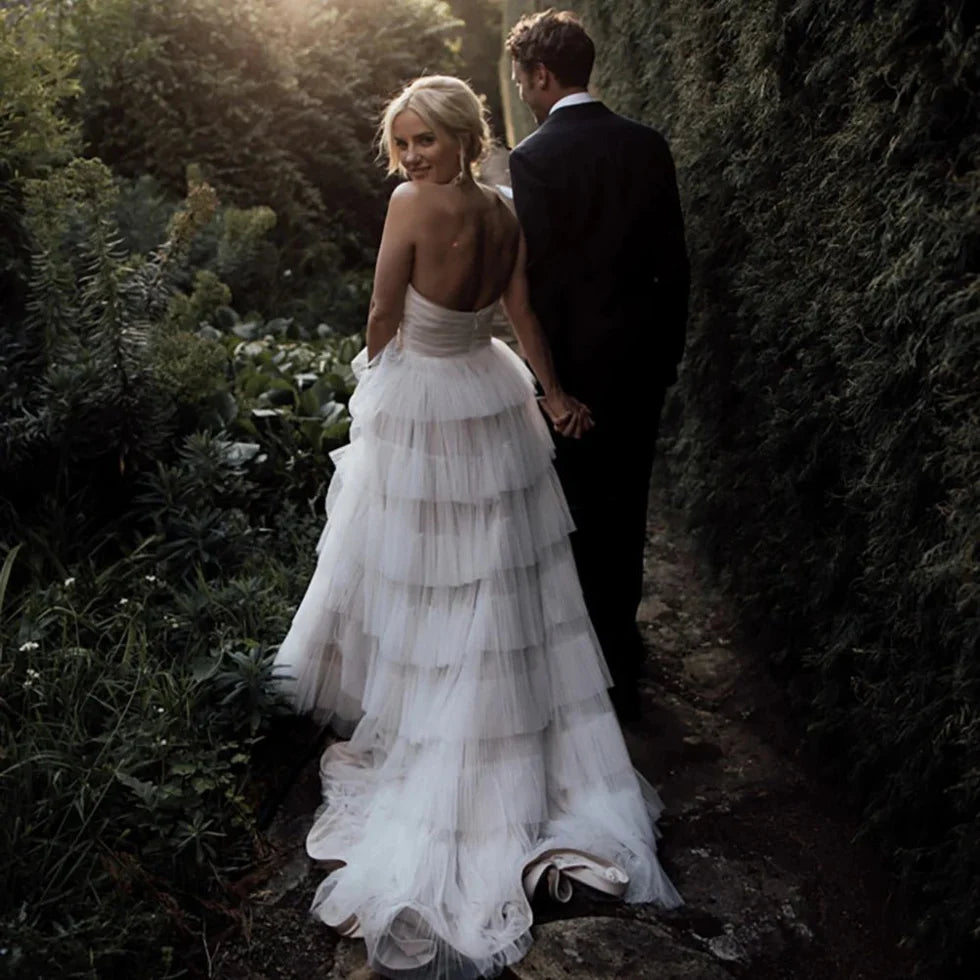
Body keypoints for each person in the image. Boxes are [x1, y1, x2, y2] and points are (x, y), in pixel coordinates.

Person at [273, 75, 681, 980]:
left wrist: (373, 384)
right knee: (486, 569)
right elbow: (521, 313)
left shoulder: (410, 206)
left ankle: (443, 727)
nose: (412, 156)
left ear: (464, 135)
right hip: (490, 394)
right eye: (403, 143)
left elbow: (383, 312)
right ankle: (480, 719)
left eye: (426, 139)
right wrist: (552, 392)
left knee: (431, 570)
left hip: (426, 391)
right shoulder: (503, 208)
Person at [506, 11, 690, 725]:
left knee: (578, 519)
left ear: (542, 75)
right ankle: (623, 662)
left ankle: (590, 673)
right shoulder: (647, 143)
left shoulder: (534, 158)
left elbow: (542, 286)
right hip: (640, 365)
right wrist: (666, 358)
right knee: (628, 512)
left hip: (576, 377)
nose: (521, 90)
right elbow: (673, 265)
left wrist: (553, 387)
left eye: (522, 78)